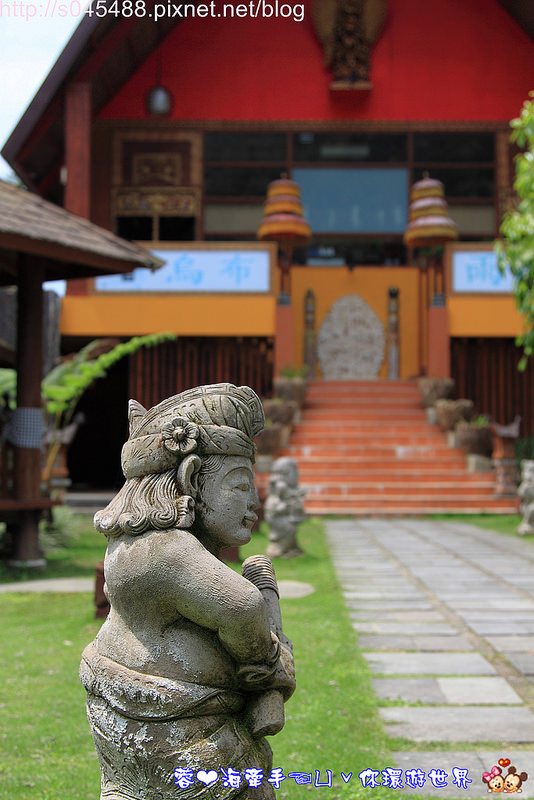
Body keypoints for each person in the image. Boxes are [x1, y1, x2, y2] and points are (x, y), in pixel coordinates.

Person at [80, 384, 295, 800]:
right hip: (180, 750)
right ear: (192, 477)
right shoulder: (162, 550)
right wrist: (269, 662)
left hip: (177, 740)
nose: (255, 502)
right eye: (239, 484)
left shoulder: (144, 543)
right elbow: (243, 605)